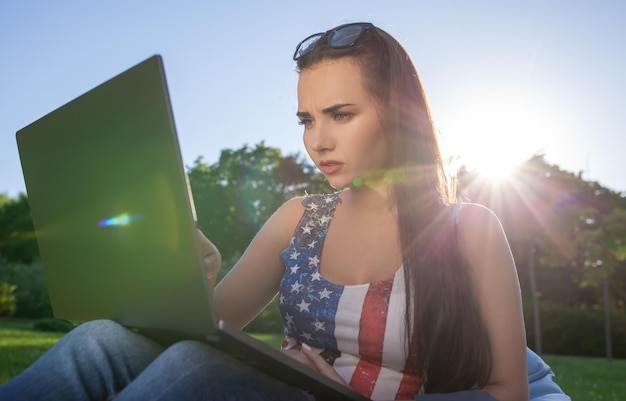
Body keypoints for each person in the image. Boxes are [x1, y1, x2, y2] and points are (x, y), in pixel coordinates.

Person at [0, 22, 570, 401]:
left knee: (195, 376)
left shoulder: (467, 228)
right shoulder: (300, 217)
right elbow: (208, 329)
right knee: (101, 341)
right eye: (306, 119)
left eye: (340, 115)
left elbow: (505, 392)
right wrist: (182, 278)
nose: (317, 141)